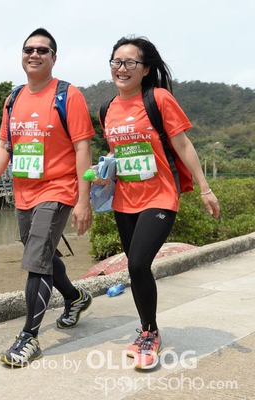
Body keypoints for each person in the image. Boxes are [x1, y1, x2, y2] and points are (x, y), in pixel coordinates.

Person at [0, 27, 95, 367]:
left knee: (35, 259)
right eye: (29, 49)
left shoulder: (68, 95)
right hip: (23, 192)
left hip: (58, 189)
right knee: (38, 254)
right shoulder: (13, 98)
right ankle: (75, 297)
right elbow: (5, 146)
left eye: (43, 50)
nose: (35, 54)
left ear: (54, 58)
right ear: (22, 56)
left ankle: (29, 337)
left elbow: (83, 147)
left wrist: (83, 200)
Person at [101, 36, 221, 369]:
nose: (121, 69)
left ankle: (150, 332)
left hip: (159, 195)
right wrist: (103, 173)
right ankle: (146, 327)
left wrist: (205, 188)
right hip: (124, 200)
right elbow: (118, 153)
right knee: (134, 267)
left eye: (130, 63)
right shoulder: (106, 109)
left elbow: (182, 145)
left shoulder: (158, 99)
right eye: (116, 62)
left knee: (138, 262)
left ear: (146, 69)